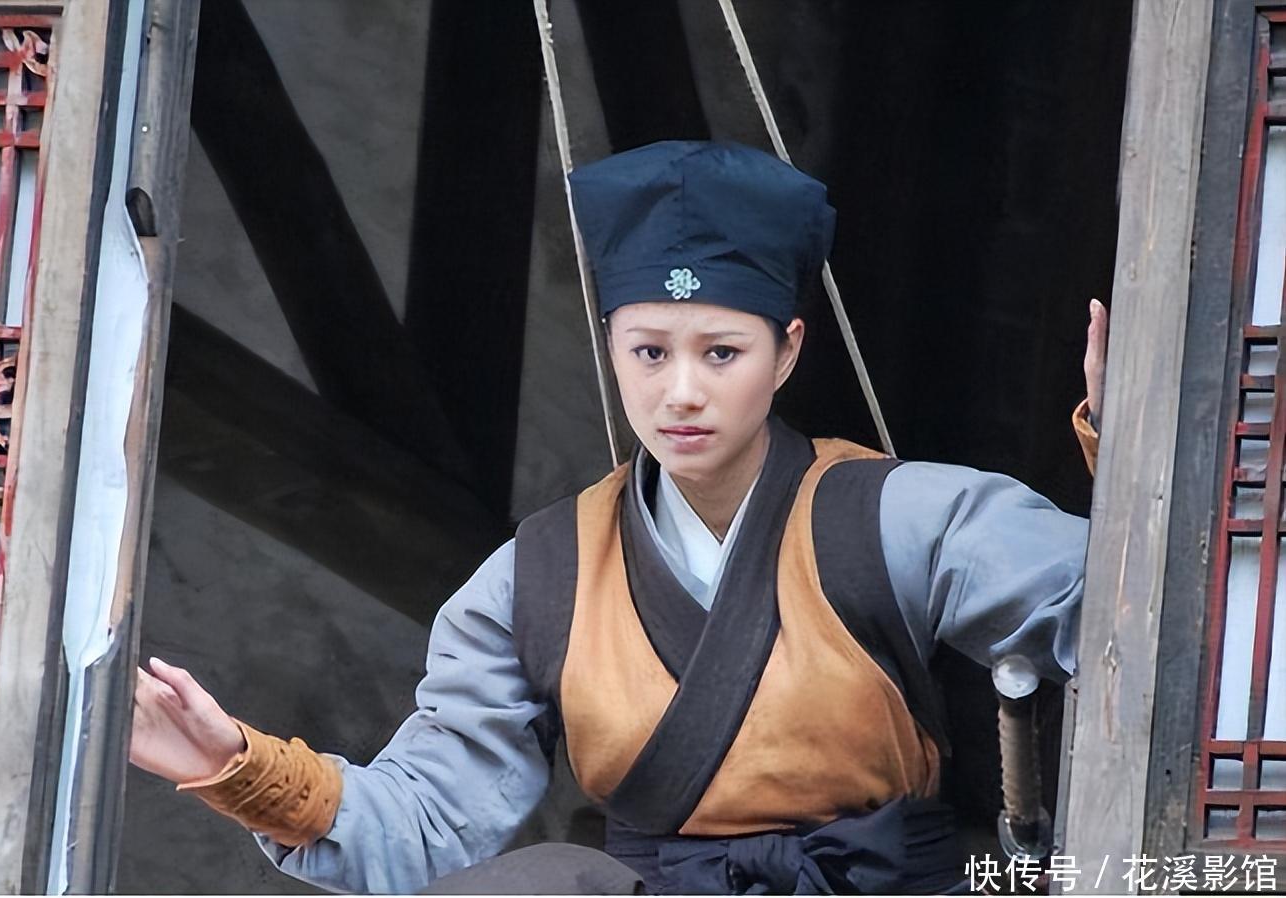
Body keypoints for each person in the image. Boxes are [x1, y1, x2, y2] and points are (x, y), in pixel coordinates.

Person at [130, 141, 1109, 895]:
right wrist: (236, 767)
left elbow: (1120, 622)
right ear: (609, 346)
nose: (680, 391)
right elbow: (431, 816)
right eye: (649, 352)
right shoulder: (539, 577)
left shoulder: (900, 517)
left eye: (720, 353)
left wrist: (1130, 450)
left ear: (786, 350)